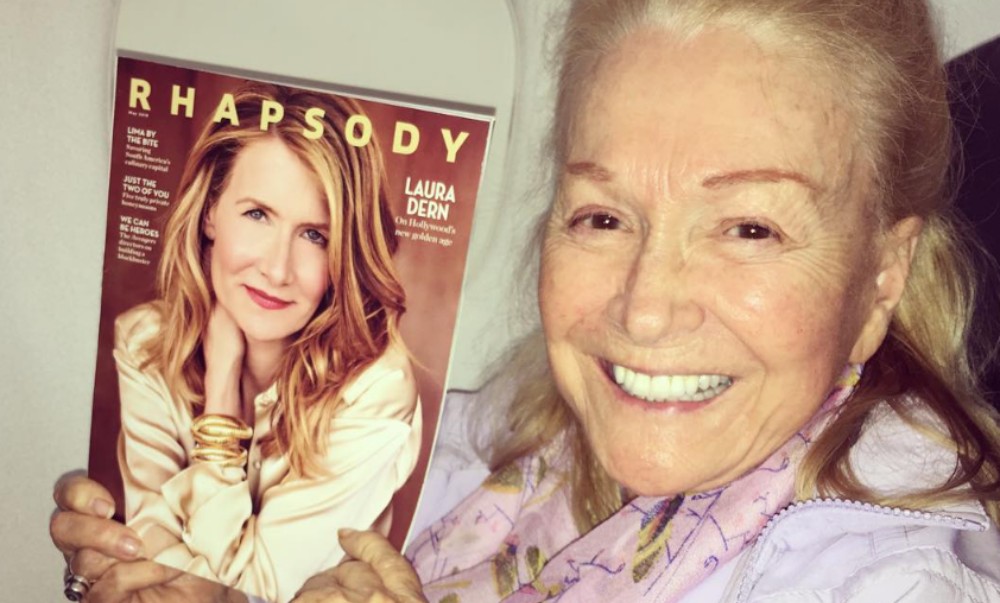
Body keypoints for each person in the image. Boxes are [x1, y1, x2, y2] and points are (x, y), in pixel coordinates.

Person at [53, 0, 1000, 601]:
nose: (645, 309)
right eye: (602, 217)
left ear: (880, 279)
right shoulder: (502, 448)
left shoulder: (892, 583)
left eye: (749, 227)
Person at [56, 83, 421, 603]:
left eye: (314, 235)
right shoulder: (146, 340)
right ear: (210, 212)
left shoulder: (375, 386)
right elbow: (149, 553)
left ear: (344, 252)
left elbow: (265, 585)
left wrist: (221, 398)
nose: (277, 269)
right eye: (257, 215)